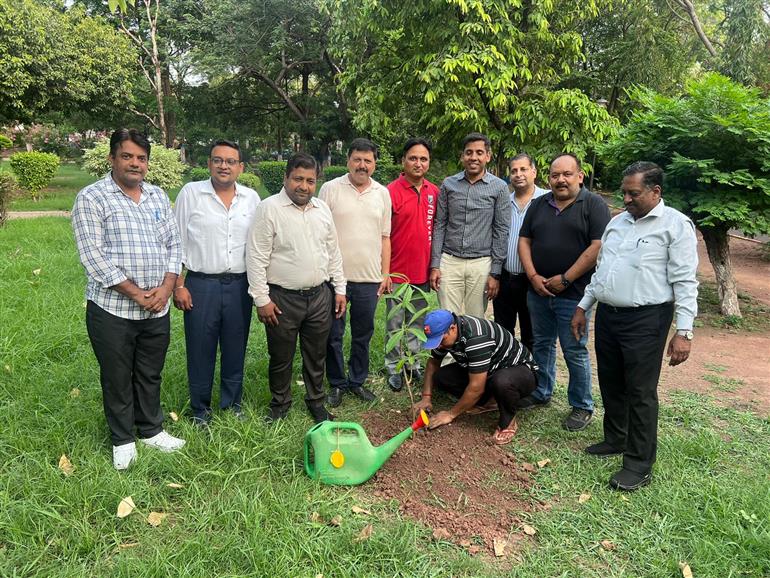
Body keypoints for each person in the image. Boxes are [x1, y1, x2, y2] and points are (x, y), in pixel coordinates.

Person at [572, 161, 698, 491]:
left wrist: (684, 331)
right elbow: (602, 272)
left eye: (634, 193)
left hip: (647, 319)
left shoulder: (675, 226)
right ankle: (616, 438)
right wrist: (583, 306)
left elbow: (685, 281)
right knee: (611, 380)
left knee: (640, 391)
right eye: (624, 193)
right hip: (609, 315)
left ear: (656, 192)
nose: (626, 199)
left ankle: (639, 464)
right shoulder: (617, 223)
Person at [72, 128, 185, 470]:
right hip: (113, 309)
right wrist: (137, 294)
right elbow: (93, 256)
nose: (135, 163)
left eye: (141, 158)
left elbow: (174, 244)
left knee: (150, 372)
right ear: (112, 159)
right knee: (117, 376)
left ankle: (151, 430)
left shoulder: (157, 196)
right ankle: (122, 439)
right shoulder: (92, 198)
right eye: (127, 156)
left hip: (157, 307)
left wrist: (166, 288)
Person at [246, 153, 346, 423]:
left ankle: (316, 401)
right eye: (298, 179)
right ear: (286, 178)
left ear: (316, 182)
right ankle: (280, 404)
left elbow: (333, 252)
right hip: (282, 299)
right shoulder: (269, 209)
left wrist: (340, 289)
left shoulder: (321, 209)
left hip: (320, 296)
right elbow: (256, 257)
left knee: (316, 354)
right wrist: (261, 299)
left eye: (310, 181)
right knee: (281, 356)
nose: (304, 186)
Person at [517, 153, 611, 431]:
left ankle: (582, 405)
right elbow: (524, 240)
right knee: (542, 344)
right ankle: (541, 391)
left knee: (574, 349)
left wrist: (566, 279)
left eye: (567, 174)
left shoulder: (593, 204)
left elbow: (597, 246)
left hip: (575, 295)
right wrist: (533, 276)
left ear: (580, 176)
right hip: (539, 291)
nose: (561, 180)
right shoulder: (539, 204)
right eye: (555, 175)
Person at [173, 139, 261, 427]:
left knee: (235, 347)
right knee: (200, 348)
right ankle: (200, 410)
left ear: (240, 167)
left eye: (231, 161)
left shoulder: (251, 199)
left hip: (239, 285)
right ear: (209, 163)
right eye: (218, 160)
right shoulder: (191, 194)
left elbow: (259, 244)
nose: (224, 166)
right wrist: (178, 285)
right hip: (201, 285)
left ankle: (232, 404)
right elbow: (176, 241)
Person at [320, 138, 391, 407]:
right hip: (335, 278)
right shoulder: (330, 189)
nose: (362, 165)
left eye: (367, 161)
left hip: (369, 279)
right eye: (357, 159)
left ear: (374, 164)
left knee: (363, 333)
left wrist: (385, 273)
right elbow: (319, 232)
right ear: (348, 160)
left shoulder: (382, 193)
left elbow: (385, 236)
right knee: (333, 334)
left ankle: (357, 381)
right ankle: (337, 383)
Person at [412, 309, 537, 444]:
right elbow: (433, 363)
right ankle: (491, 401)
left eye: (441, 340)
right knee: (441, 377)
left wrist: (450, 414)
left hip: (520, 371)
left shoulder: (476, 338)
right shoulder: (444, 334)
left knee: (502, 382)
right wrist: (426, 397)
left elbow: (476, 388)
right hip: (487, 369)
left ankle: (508, 422)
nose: (439, 345)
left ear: (452, 328)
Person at [430, 133, 510, 317]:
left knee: (476, 320)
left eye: (479, 152)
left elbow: (501, 230)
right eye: (469, 152)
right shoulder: (449, 184)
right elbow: (440, 224)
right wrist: (435, 265)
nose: (474, 157)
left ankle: (473, 339)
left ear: (487, 156)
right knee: (447, 319)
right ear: (462, 156)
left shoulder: (499, 187)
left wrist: (495, 273)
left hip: (481, 264)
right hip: (449, 262)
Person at [384, 137, 440, 392]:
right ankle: (393, 367)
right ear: (403, 161)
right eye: (413, 158)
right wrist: (385, 272)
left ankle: (413, 364)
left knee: (418, 323)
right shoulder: (390, 192)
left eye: (423, 159)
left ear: (428, 163)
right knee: (395, 323)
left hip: (422, 272)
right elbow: (382, 235)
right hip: (396, 272)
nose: (418, 163)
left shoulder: (434, 192)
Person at [493, 153, 548, 352]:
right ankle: (505, 368)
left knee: (531, 333)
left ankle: (529, 370)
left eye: (523, 169)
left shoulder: (547, 200)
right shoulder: (503, 202)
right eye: (514, 171)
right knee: (503, 332)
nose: (518, 174)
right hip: (506, 278)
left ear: (534, 172)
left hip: (533, 280)